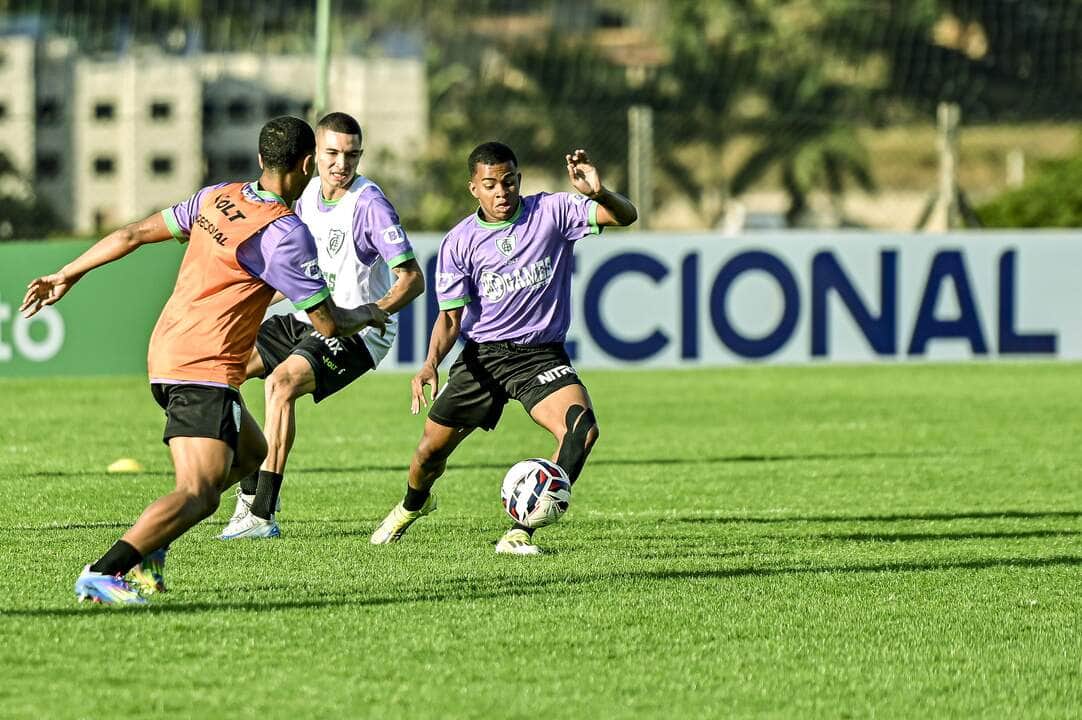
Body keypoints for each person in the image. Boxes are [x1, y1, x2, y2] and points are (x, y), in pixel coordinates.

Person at [20, 116, 388, 604]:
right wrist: (370, 311)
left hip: (169, 350)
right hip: (203, 365)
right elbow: (325, 324)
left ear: (261, 160)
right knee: (199, 493)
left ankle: (152, 549)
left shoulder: (220, 195)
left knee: (252, 454)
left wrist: (66, 273)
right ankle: (103, 571)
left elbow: (132, 235)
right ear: (307, 165)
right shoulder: (286, 233)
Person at [369, 142, 637, 555]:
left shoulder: (552, 212)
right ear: (473, 187)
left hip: (540, 355)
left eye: (509, 182)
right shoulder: (459, 242)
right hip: (484, 359)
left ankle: (520, 531)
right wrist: (429, 364)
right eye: (490, 184)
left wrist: (598, 193)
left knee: (582, 430)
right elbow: (450, 318)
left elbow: (626, 216)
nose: (502, 192)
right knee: (428, 455)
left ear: (519, 180)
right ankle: (411, 507)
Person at [219, 111, 424, 540]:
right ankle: (249, 486)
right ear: (314, 155)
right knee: (222, 373)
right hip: (306, 316)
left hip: (357, 332)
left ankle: (262, 514)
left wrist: (373, 310)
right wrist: (250, 307)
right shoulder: (307, 195)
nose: (341, 164)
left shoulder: (370, 205)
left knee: (280, 385)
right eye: (332, 153)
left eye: (351, 155)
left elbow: (412, 279)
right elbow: (296, 276)